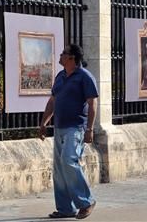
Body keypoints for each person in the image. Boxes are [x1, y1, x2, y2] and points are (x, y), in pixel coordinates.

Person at [39, 44, 98, 220]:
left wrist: (90, 129)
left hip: (76, 127)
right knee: (59, 169)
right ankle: (65, 208)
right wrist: (44, 123)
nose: (61, 55)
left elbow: (92, 104)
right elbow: (52, 102)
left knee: (68, 161)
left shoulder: (85, 77)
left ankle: (86, 201)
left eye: (64, 54)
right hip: (59, 127)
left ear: (72, 58)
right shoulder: (60, 76)